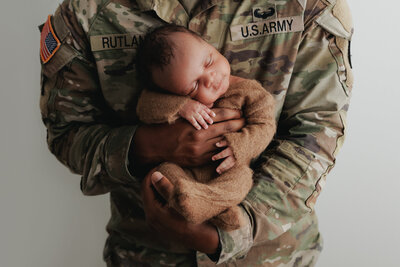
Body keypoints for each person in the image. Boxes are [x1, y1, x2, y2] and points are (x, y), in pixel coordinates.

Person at [39, 0, 353, 266]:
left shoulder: (308, 5)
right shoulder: (88, 12)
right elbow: (68, 135)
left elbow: (317, 132)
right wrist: (149, 145)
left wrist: (230, 232)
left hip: (270, 255)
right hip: (146, 253)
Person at [135, 24, 276, 230]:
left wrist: (240, 147)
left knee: (243, 179)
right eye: (193, 86)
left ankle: (207, 204)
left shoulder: (250, 92)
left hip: (225, 170)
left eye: (209, 61)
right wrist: (181, 105)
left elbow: (265, 125)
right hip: (187, 176)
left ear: (210, 45)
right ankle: (211, 209)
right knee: (164, 173)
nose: (210, 78)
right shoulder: (177, 98)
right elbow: (144, 106)